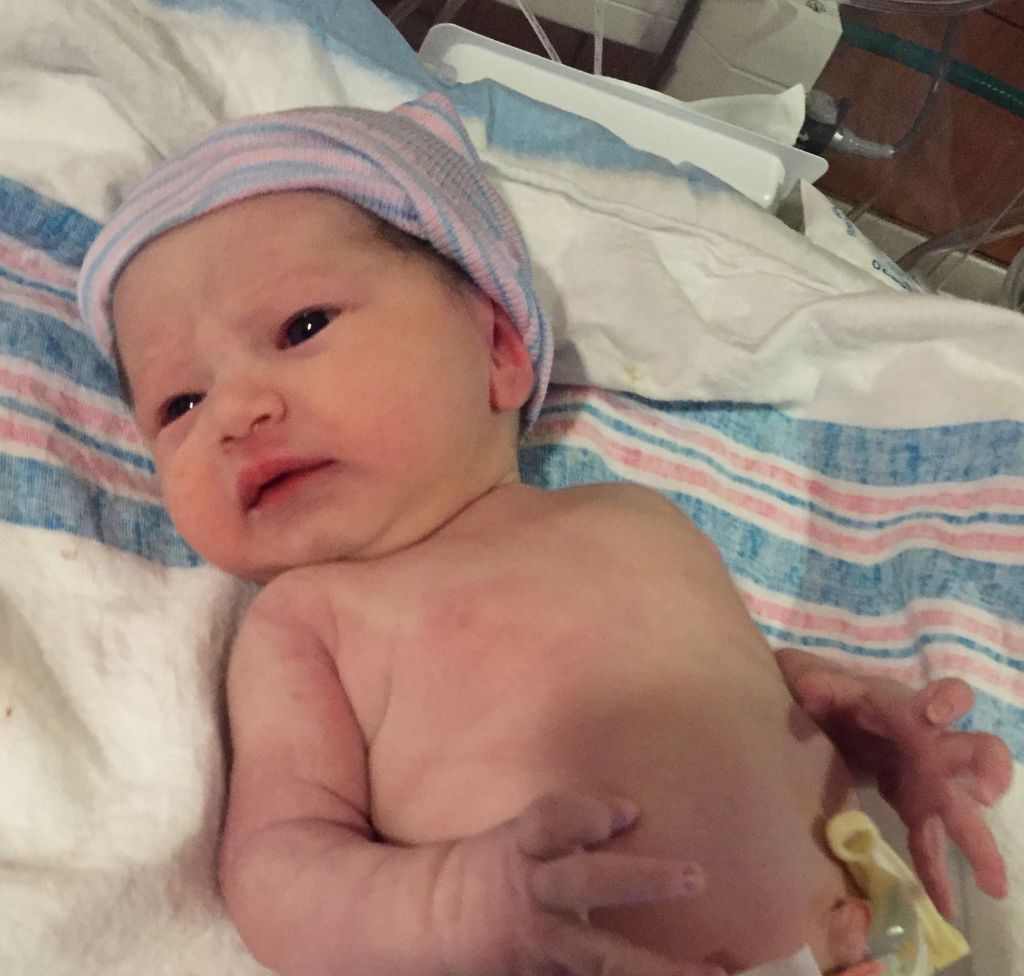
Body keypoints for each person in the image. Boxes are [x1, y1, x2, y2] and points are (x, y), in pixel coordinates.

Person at [77, 93, 1011, 976]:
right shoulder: (310, 621)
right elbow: (277, 869)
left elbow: (733, 686)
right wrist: (448, 904)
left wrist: (859, 723)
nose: (234, 411)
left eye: (301, 326)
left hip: (876, 944)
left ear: (498, 351)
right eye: (178, 404)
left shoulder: (633, 516)